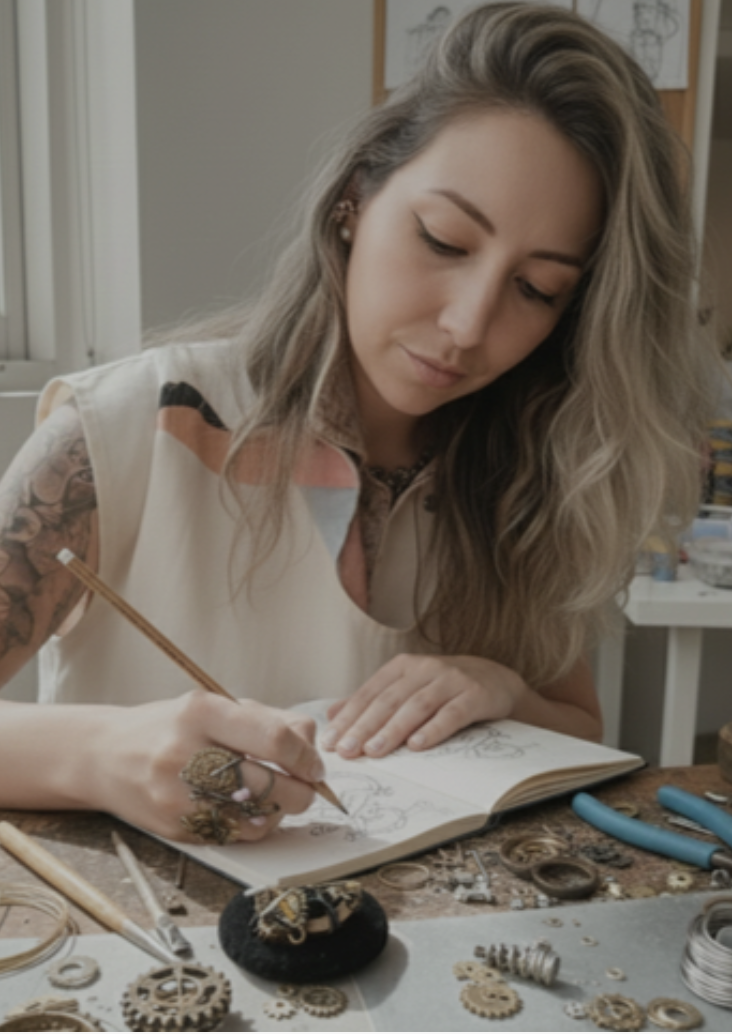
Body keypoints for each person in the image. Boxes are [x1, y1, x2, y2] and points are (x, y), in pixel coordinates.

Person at [0, 2, 716, 845]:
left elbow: (577, 732)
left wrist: (499, 688)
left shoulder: (528, 470)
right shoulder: (126, 427)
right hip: (149, 955)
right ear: (354, 199)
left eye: (539, 289)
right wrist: (99, 752)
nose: (467, 323)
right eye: (444, 240)